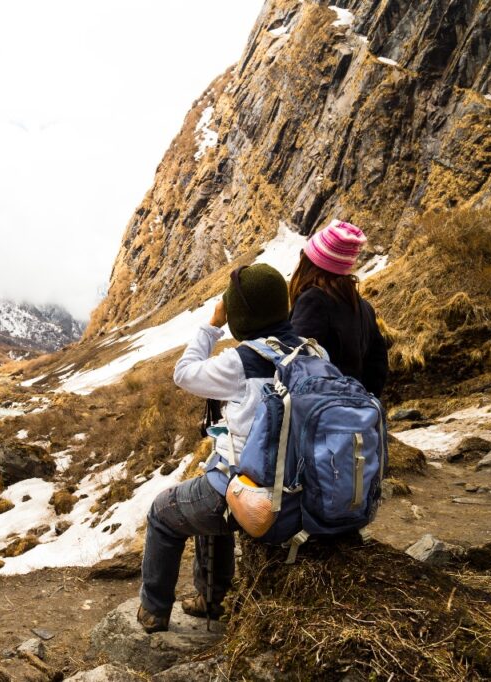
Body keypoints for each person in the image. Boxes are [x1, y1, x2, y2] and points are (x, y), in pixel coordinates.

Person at [138, 263, 305, 633]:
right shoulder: (312, 352)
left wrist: (213, 324)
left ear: (241, 315)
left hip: (253, 491)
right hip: (299, 486)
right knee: (210, 486)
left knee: (164, 513)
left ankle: (153, 611)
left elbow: (184, 373)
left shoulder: (243, 362)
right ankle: (211, 596)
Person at [289, 220, 389, 397]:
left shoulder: (313, 301)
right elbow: (378, 364)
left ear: (312, 262)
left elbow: (295, 362)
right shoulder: (363, 307)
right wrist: (361, 402)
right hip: (355, 414)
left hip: (321, 413)